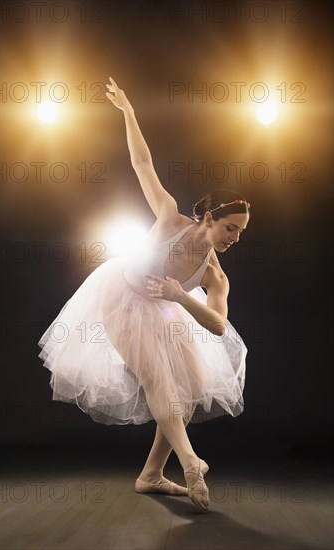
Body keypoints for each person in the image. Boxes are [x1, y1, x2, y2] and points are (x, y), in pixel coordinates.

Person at [38, 77, 249, 512]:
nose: (234, 239)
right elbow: (142, 164)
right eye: (230, 229)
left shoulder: (216, 274)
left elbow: (216, 324)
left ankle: (151, 476)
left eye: (241, 233)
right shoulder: (170, 219)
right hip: (121, 295)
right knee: (157, 379)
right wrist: (128, 112)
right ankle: (191, 464)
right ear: (209, 218)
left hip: (167, 310)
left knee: (187, 393)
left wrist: (179, 294)